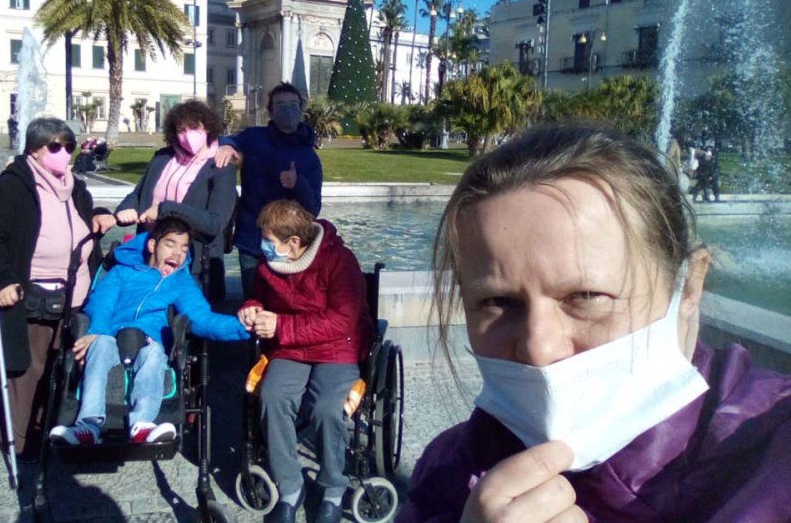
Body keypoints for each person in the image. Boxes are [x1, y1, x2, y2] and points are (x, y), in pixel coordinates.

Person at [399, 123, 791, 522]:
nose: (539, 348)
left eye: (586, 297)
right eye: (497, 302)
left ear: (688, 287)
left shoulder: (773, 456)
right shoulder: (450, 471)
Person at [0, 117, 110, 461]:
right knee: (27, 370)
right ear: (34, 149)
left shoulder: (73, 186)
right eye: (54, 146)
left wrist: (100, 215)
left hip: (73, 298)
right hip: (30, 298)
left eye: (69, 146)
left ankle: (46, 432)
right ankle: (17, 442)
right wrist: (0, 280)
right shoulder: (11, 189)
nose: (64, 154)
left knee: (60, 368)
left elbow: (81, 223)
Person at [50, 216, 250, 446]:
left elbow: (202, 319)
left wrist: (243, 327)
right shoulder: (123, 272)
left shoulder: (181, 283)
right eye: (170, 244)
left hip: (149, 341)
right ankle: (87, 425)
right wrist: (97, 330)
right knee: (101, 343)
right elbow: (101, 303)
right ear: (153, 245)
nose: (177, 253)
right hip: (112, 335)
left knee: (153, 352)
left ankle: (143, 423)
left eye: (184, 248)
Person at [237, 200, 373, 523]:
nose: (263, 248)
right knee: (273, 396)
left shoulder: (340, 261)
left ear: (294, 243)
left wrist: (282, 326)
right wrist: (252, 306)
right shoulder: (269, 265)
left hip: (337, 348)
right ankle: (290, 487)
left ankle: (332, 488)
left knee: (327, 407)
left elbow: (342, 321)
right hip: (290, 350)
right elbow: (259, 294)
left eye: (270, 242)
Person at [94, 100, 237, 306]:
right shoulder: (163, 157)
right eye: (181, 130)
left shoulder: (220, 166)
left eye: (194, 128)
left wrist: (164, 209)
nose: (188, 135)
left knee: (187, 328)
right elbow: (139, 193)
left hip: (195, 265)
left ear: (207, 128)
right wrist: (126, 209)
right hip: (151, 258)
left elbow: (214, 223)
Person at [215, 84, 322, 298]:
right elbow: (229, 140)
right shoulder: (254, 137)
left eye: (292, 105)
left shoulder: (309, 156)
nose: (287, 110)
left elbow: (314, 209)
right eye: (280, 105)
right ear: (271, 112)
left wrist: (298, 183)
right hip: (251, 239)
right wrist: (227, 145)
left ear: (301, 109)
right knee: (252, 301)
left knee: (282, 301)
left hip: (288, 245)